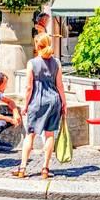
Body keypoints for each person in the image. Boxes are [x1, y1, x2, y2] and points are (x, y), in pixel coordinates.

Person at [15, 33, 66, 180]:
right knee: (49, 134)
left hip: (36, 102)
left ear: (37, 46)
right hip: (54, 101)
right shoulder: (57, 63)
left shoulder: (32, 63)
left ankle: (23, 168)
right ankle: (45, 168)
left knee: (30, 134)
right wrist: (64, 103)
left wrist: (25, 105)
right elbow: (60, 86)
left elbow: (29, 87)